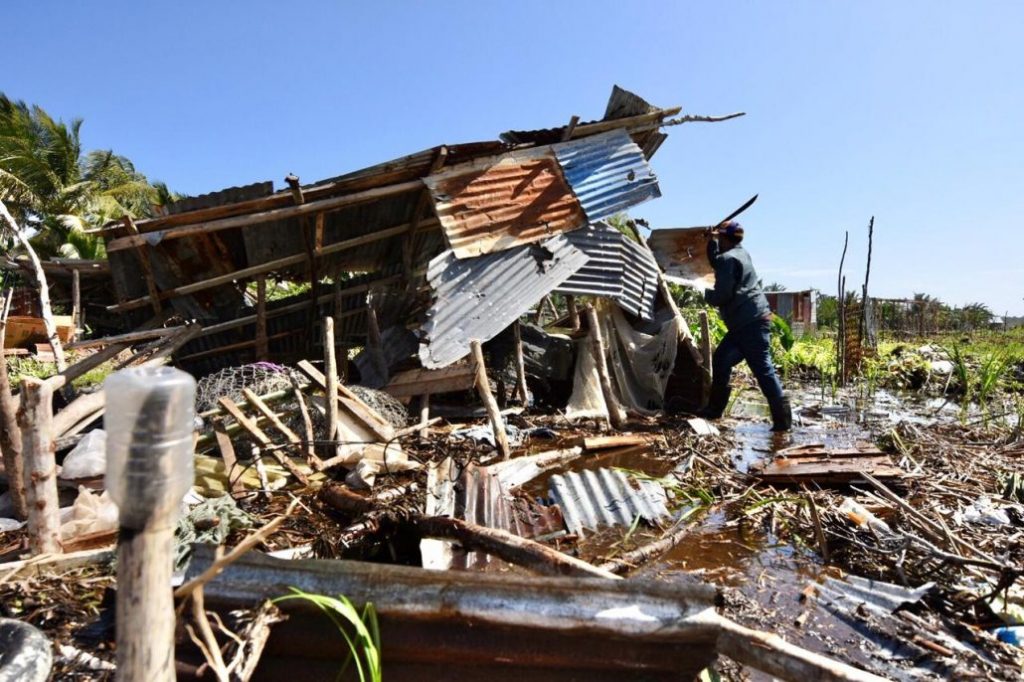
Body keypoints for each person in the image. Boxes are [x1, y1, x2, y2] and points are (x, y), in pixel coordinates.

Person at [699, 221, 791, 431]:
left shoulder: (728, 259)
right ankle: (714, 410)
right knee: (722, 360)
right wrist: (711, 241)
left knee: (763, 370)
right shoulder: (741, 254)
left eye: (719, 238)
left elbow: (722, 295)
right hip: (747, 323)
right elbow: (718, 261)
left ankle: (783, 423)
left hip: (750, 324)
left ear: (724, 238)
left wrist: (704, 291)